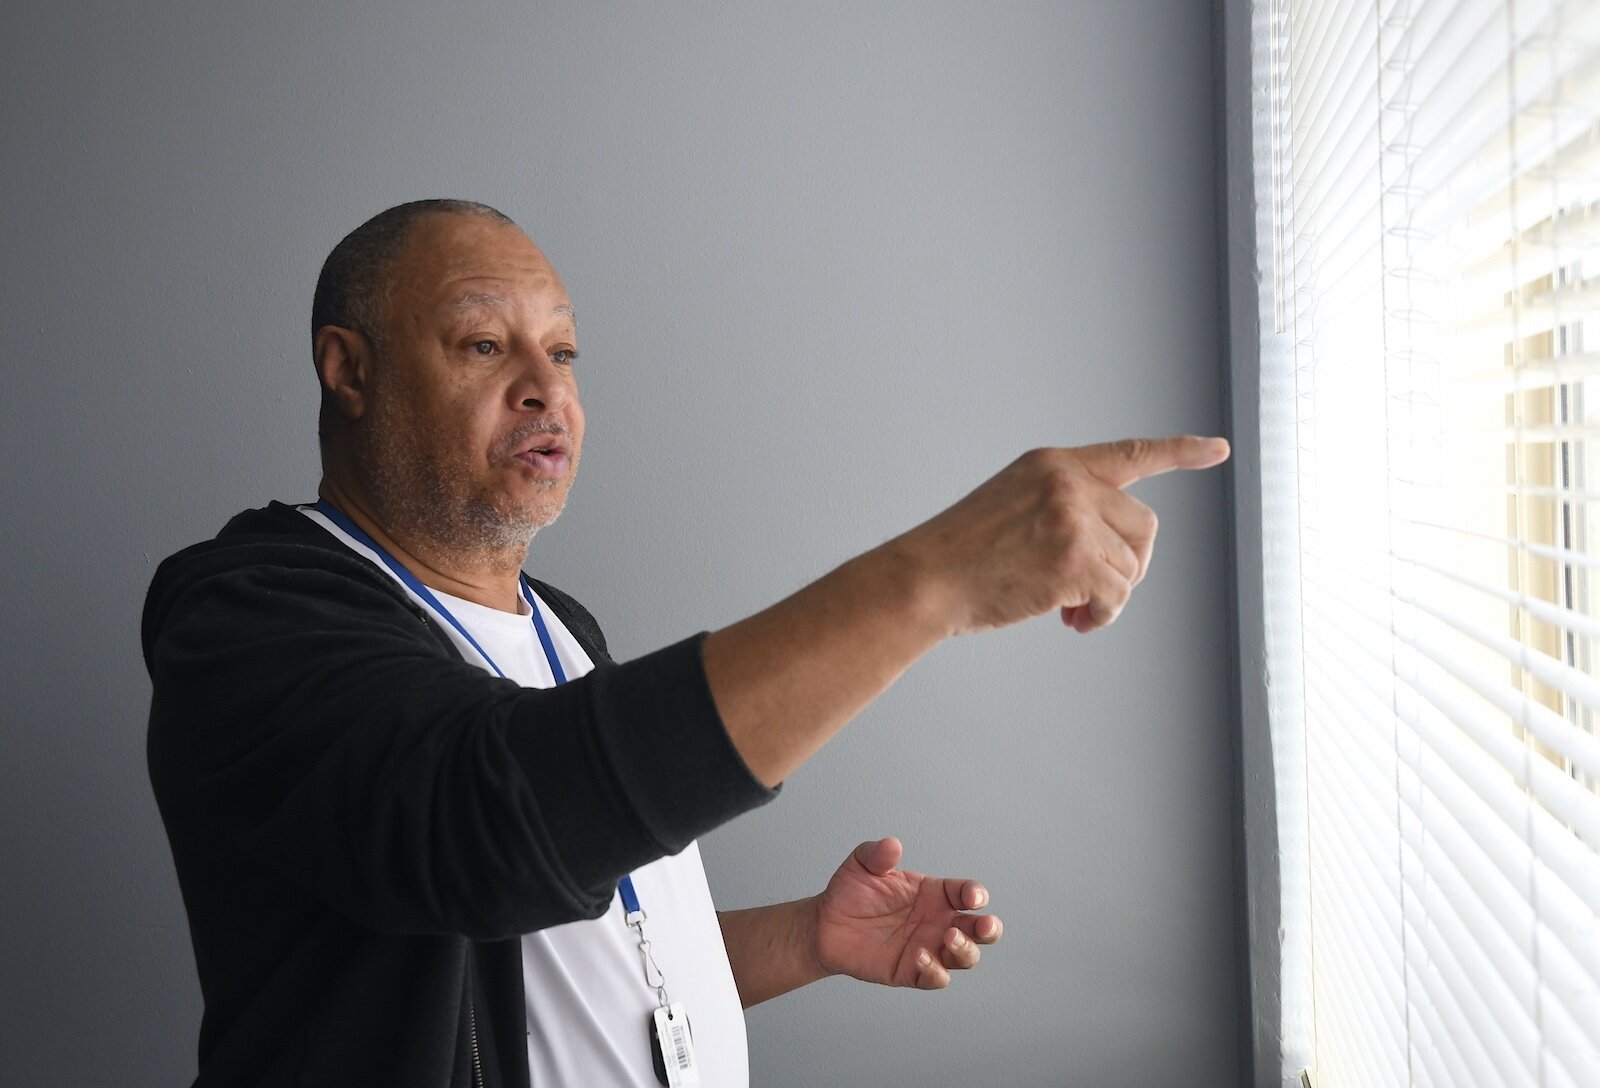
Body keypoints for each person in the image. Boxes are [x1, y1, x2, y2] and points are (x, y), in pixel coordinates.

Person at [143, 199, 1229, 1088]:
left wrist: (806, 936)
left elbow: (570, 943)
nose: (544, 384)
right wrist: (933, 576)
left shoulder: (562, 629)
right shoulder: (243, 617)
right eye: (484, 342)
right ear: (350, 369)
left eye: (561, 347)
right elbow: (481, 828)